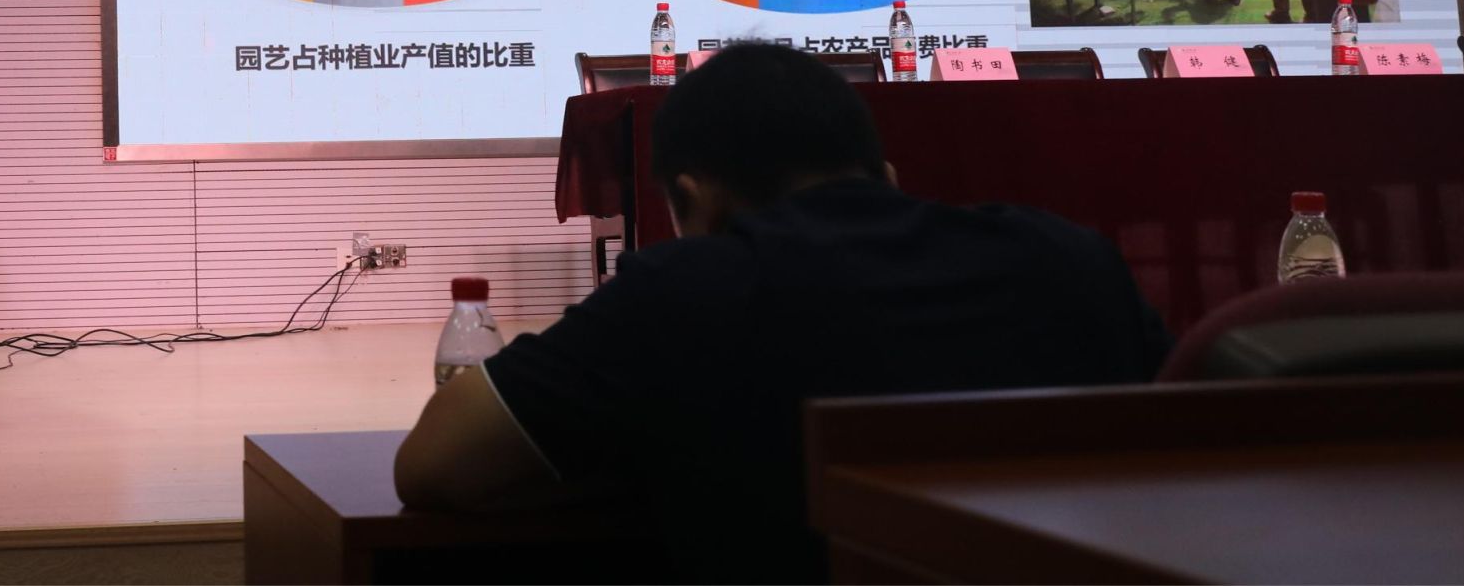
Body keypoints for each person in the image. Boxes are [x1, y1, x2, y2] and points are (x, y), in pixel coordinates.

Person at [393, 45, 1170, 582]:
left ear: (692, 201)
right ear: (886, 174)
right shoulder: (1067, 258)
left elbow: (433, 466)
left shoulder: (689, 291)